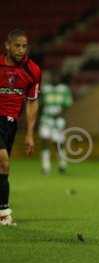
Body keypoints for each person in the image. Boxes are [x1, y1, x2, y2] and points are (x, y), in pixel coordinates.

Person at [0, 29, 41, 225]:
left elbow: (32, 102)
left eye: (24, 46)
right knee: (4, 163)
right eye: (17, 45)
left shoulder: (32, 70)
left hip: (11, 124)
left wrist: (30, 134)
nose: (21, 50)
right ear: (7, 45)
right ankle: (4, 213)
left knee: (2, 167)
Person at [39, 72, 73, 175]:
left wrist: (61, 115)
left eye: (56, 76)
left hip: (58, 120)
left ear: (60, 78)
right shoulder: (45, 89)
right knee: (45, 141)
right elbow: (40, 104)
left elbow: (67, 105)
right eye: (52, 76)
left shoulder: (64, 89)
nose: (54, 78)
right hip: (46, 119)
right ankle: (46, 166)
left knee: (58, 143)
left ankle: (62, 164)